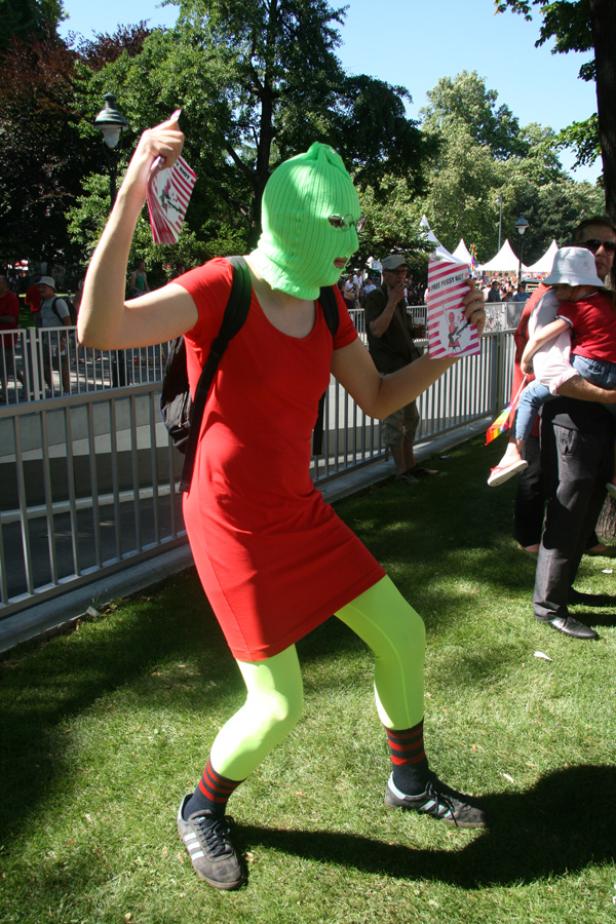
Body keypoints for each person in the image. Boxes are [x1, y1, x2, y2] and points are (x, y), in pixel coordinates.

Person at [78, 114, 487, 891]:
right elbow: (98, 328)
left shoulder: (328, 300)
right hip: (230, 524)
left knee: (402, 630)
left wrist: (444, 353)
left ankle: (408, 779)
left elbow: (373, 397)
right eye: (338, 225)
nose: (350, 244)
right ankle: (201, 805)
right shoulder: (221, 284)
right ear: (299, 221)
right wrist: (135, 187)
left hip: (300, 511)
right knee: (276, 708)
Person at [510, 218, 616, 557]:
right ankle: (532, 542)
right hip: (551, 408)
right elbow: (552, 371)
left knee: (588, 480)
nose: (601, 252)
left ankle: (582, 540)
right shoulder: (554, 297)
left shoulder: (598, 297)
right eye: (592, 245)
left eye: (609, 246)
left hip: (584, 414)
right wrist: (608, 396)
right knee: (538, 478)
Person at [487, 247, 616, 490]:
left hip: (588, 365)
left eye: (560, 287)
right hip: (613, 371)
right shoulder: (607, 302)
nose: (556, 292)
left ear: (577, 286)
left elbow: (542, 337)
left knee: (529, 397)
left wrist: (526, 360)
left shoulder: (573, 307)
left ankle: (513, 452)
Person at [364, 254, 437, 482]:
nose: (401, 277)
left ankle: (410, 465)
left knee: (411, 419)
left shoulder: (400, 299)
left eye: (404, 273)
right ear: (385, 275)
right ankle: (401, 471)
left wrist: (419, 329)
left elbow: (402, 329)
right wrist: (393, 302)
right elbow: (376, 330)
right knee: (394, 422)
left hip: (405, 368)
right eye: (397, 273)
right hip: (389, 369)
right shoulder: (376, 297)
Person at [38, 275, 71, 393]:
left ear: (52, 288)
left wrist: (63, 340)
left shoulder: (59, 302)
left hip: (59, 340)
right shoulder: (43, 303)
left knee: (62, 366)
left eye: (44, 287)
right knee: (44, 365)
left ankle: (67, 391)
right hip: (47, 341)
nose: (41, 289)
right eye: (40, 287)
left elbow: (67, 321)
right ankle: (52, 389)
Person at [0, 274, 20, 398]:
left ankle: (4, 393)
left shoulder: (11, 298)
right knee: (8, 365)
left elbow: (12, 319)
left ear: (5, 285)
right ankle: (30, 385)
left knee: (6, 366)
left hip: (6, 338)